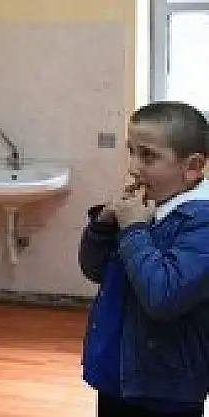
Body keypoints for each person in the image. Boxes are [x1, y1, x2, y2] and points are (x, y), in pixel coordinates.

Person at [79, 101, 209, 417]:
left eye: (148, 156)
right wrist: (103, 225)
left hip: (165, 388)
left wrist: (134, 229)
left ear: (192, 167)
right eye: (131, 152)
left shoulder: (201, 223)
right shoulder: (146, 207)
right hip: (117, 375)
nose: (134, 168)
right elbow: (94, 270)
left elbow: (163, 296)